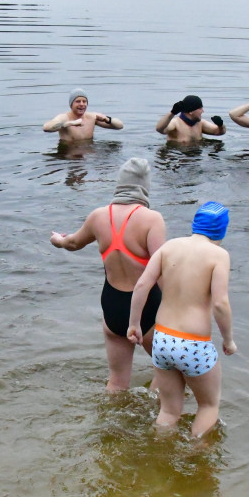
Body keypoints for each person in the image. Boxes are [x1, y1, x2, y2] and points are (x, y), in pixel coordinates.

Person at [50, 158, 166, 392]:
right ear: (145, 186)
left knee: (116, 381)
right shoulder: (152, 219)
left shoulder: (98, 216)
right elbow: (161, 267)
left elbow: (72, 243)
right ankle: (153, 419)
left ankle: (114, 421)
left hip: (112, 306)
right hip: (147, 307)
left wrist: (58, 240)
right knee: (168, 375)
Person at [127, 202, 235, 439]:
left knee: (168, 410)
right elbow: (220, 304)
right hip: (193, 344)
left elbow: (143, 285)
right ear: (222, 230)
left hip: (162, 339)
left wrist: (134, 323)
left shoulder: (169, 247)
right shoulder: (219, 255)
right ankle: (195, 463)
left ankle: (158, 454)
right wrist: (228, 340)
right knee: (208, 406)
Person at [43, 88, 124, 141]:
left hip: (89, 155)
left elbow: (120, 126)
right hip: (69, 155)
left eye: (84, 101)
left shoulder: (92, 117)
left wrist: (108, 120)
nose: (82, 104)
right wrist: (68, 124)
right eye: (78, 101)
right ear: (71, 104)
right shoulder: (64, 118)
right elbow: (46, 127)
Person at [155, 94, 226, 144]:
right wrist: (172, 113)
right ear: (191, 111)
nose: (203, 111)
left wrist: (220, 125)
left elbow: (219, 132)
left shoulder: (200, 123)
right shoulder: (176, 123)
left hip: (196, 157)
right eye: (200, 108)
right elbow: (160, 129)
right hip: (178, 156)